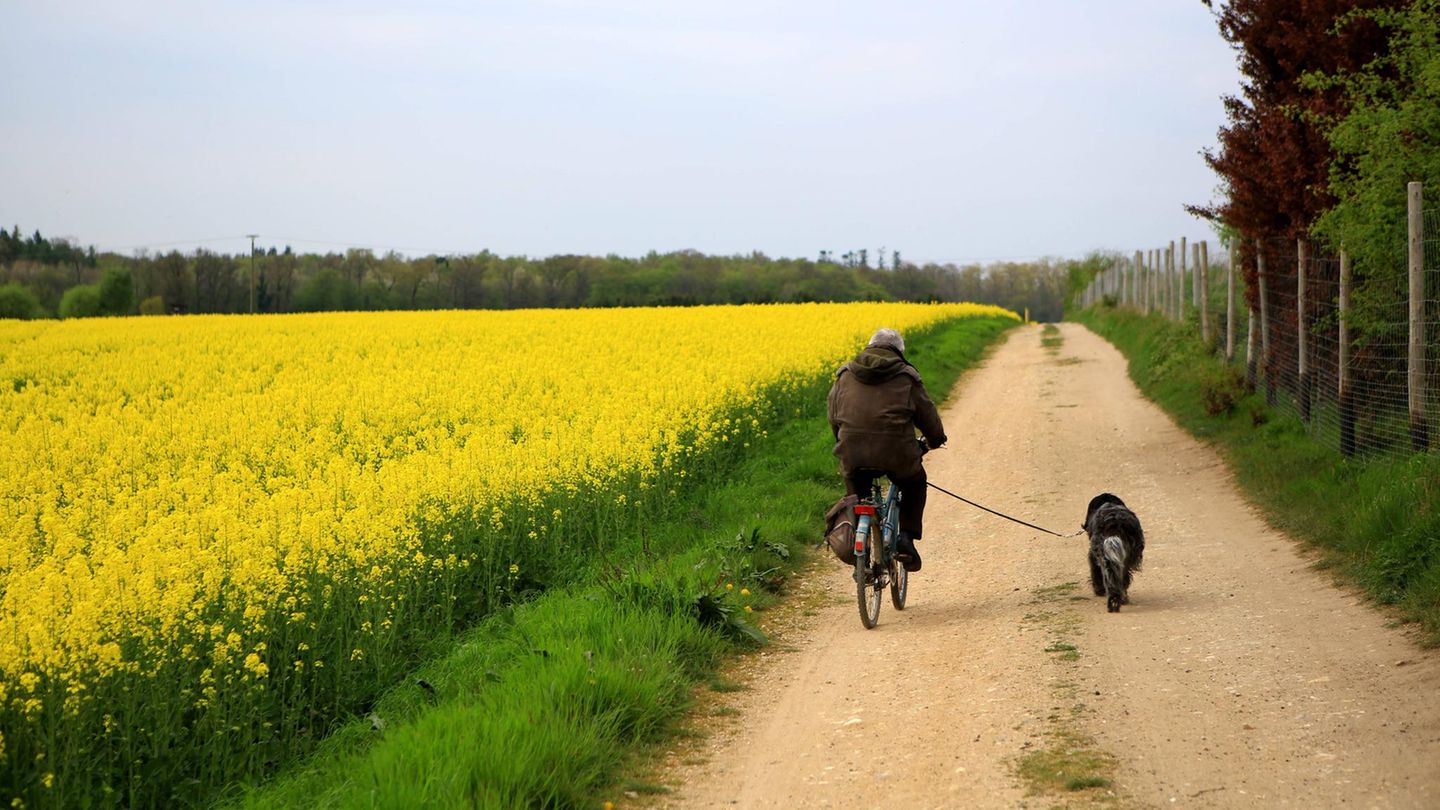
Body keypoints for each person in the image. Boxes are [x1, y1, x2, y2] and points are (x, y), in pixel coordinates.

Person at [826, 328, 947, 571]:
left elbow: (833, 416)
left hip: (853, 453)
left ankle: (862, 543)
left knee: (856, 492)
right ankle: (906, 538)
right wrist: (934, 440)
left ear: (870, 346)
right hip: (897, 454)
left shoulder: (845, 374)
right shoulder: (906, 376)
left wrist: (843, 441)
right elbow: (927, 414)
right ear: (899, 352)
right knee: (914, 482)